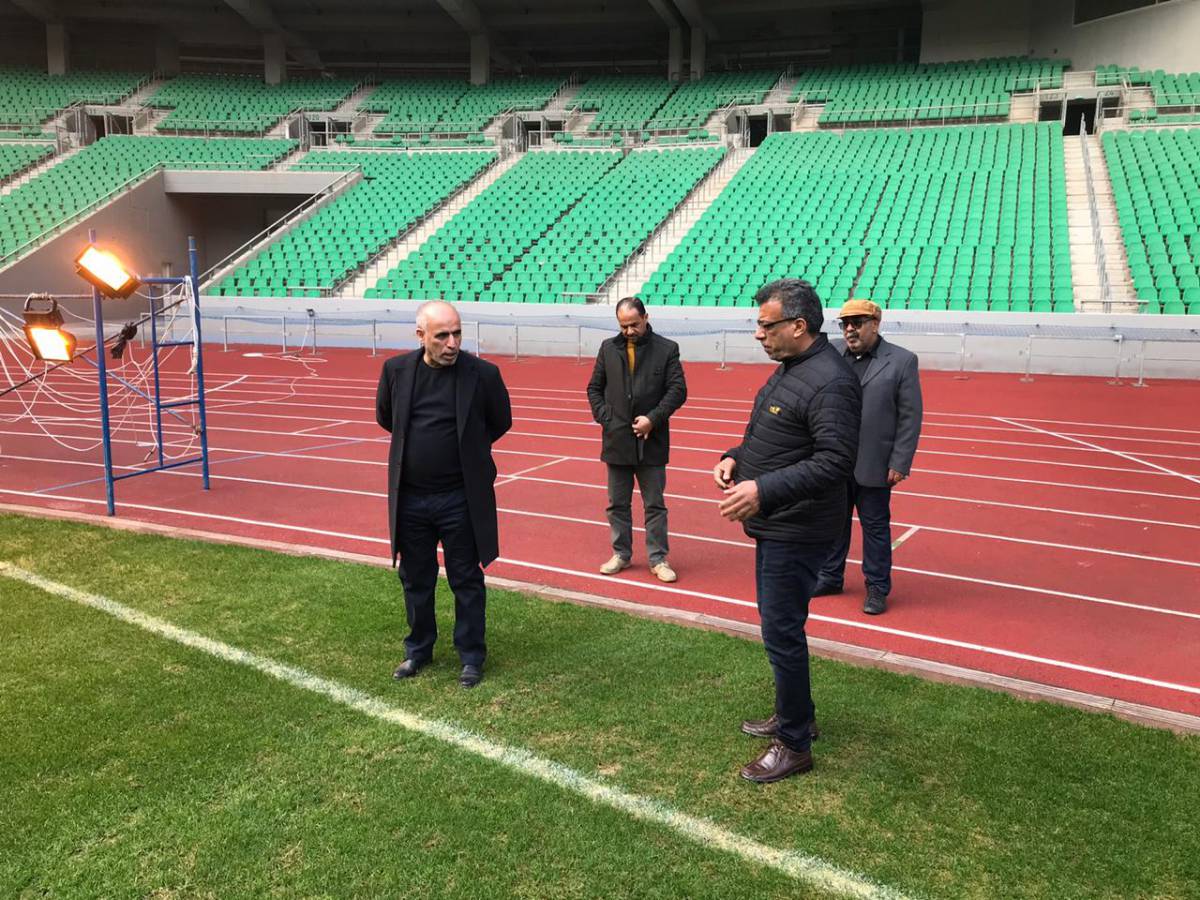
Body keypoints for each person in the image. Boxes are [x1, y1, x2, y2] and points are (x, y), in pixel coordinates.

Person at [714, 279, 861, 783]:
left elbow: (835, 461)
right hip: (779, 521)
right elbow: (777, 436)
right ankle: (796, 714)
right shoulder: (795, 368)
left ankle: (795, 743)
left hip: (798, 527)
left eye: (766, 325)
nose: (759, 334)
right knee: (780, 628)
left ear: (798, 326)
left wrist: (764, 490)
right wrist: (735, 458)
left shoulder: (831, 381)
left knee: (781, 631)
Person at [375, 300, 512, 688]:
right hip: (411, 500)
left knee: (465, 579)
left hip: (460, 498)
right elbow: (386, 417)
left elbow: (500, 420)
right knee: (415, 578)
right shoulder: (396, 371)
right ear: (421, 336)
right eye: (442, 336)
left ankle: (471, 656)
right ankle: (418, 649)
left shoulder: (483, 374)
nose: (452, 343)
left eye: (457, 334)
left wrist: (467, 449)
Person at [815, 299, 923, 615]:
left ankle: (877, 587)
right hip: (834, 460)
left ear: (875, 324)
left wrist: (900, 462)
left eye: (857, 322)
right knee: (834, 524)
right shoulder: (831, 353)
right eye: (844, 324)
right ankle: (830, 577)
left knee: (875, 529)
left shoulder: (902, 361)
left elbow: (910, 417)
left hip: (874, 463)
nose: (850, 329)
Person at [587, 297, 687, 583]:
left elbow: (677, 390)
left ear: (645, 317)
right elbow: (594, 388)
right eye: (623, 326)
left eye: (633, 324)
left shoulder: (667, 349)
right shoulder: (608, 348)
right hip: (616, 440)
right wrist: (606, 418)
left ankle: (658, 559)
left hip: (651, 441)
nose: (629, 331)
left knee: (654, 504)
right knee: (616, 504)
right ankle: (621, 553)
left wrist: (652, 419)